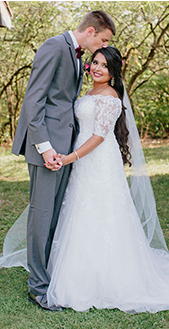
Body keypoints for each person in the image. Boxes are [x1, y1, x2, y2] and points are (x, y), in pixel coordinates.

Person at [44, 46, 169, 313]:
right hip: (83, 158)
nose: (97, 68)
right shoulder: (89, 91)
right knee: (81, 208)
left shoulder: (111, 97)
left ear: (113, 72)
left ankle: (109, 278)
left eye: (104, 66)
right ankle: (80, 269)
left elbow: (100, 136)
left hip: (97, 158)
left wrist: (69, 158)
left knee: (103, 211)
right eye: (95, 63)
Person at [11, 10, 116, 311]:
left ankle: (48, 275)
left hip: (64, 149)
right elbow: (34, 100)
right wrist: (45, 148)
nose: (102, 48)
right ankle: (38, 288)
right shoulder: (54, 46)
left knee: (55, 216)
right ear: (92, 31)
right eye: (104, 40)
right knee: (42, 218)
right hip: (48, 149)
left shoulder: (74, 53)